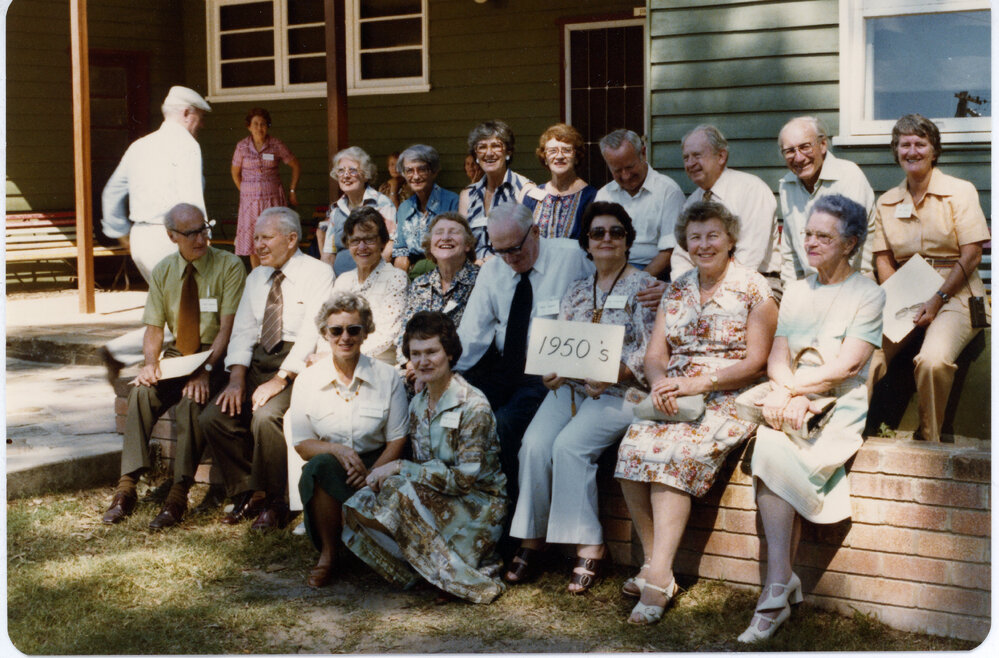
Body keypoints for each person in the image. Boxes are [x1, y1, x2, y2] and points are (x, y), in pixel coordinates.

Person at [614, 200, 777, 625]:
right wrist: (660, 384)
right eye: (695, 237)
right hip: (675, 394)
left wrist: (699, 383)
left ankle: (658, 578)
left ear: (730, 240)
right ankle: (656, 565)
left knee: (673, 456)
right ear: (685, 244)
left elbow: (757, 361)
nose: (704, 245)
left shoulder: (754, 288)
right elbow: (655, 354)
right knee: (632, 451)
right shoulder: (678, 287)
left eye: (713, 236)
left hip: (726, 395)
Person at [739, 195, 884, 642]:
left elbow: (846, 367)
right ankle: (780, 584)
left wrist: (799, 393)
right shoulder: (798, 289)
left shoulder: (869, 293)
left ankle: (776, 589)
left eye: (824, 236)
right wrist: (787, 391)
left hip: (838, 407)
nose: (812, 243)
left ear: (851, 244)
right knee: (769, 445)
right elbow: (777, 360)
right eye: (808, 234)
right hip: (793, 401)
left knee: (769, 450)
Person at [456, 202, 665, 508]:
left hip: (553, 376)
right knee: (467, 411)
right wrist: (444, 369)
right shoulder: (493, 270)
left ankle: (510, 516)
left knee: (507, 422)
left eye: (516, 248)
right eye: (501, 251)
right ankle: (474, 509)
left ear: (536, 232)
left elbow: (613, 275)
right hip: (509, 368)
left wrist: (668, 290)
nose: (510, 258)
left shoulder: (571, 257)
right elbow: (472, 333)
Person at [505, 202, 656, 593]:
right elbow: (563, 346)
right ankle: (531, 538)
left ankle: (590, 544)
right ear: (586, 242)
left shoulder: (646, 288)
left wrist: (617, 372)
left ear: (627, 240)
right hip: (573, 390)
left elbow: (655, 349)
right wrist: (551, 371)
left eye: (615, 232)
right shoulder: (575, 290)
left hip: (622, 393)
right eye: (597, 233)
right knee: (534, 445)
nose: (606, 239)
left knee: (570, 446)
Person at [342, 312, 509, 604]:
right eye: (416, 354)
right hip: (438, 496)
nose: (423, 361)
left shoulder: (473, 405)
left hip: (478, 505)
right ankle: (425, 570)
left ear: (450, 354)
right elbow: (423, 470)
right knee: (362, 501)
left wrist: (398, 468)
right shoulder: (418, 403)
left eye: (432, 352)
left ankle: (456, 572)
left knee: (396, 490)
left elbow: (464, 480)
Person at [101, 204, 246, 528]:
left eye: (203, 228)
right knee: (141, 393)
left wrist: (203, 372)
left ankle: (178, 495)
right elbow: (154, 328)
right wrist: (151, 364)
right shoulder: (165, 271)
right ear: (172, 236)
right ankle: (126, 489)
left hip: (215, 356)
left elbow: (227, 329)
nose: (200, 238)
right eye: (191, 232)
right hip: (178, 354)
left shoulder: (229, 266)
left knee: (193, 402)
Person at [199, 206, 335, 531]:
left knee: (266, 416)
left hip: (297, 365)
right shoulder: (256, 276)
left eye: (265, 237)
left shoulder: (318, 273)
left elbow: (311, 335)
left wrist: (280, 379)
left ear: (291, 239)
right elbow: (244, 331)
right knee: (214, 418)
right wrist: (236, 379)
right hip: (259, 359)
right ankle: (249, 491)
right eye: (255, 237)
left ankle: (278, 502)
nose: (257, 245)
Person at [868, 114, 990, 443]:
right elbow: (883, 258)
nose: (912, 150)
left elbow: (973, 255)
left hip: (959, 290)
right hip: (907, 288)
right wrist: (895, 298)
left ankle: (931, 445)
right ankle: (848, 433)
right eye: (904, 144)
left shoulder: (959, 192)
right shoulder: (887, 201)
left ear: (934, 150)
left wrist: (937, 299)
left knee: (932, 361)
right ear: (896, 151)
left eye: (920, 143)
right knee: (864, 353)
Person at [286, 292, 408, 588]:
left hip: (379, 463)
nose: (345, 337)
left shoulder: (388, 377)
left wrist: (371, 474)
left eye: (354, 329)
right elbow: (302, 444)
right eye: (336, 330)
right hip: (335, 465)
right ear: (324, 334)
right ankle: (329, 553)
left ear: (366, 332)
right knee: (321, 466)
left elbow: (397, 439)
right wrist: (337, 450)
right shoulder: (308, 380)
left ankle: (379, 549)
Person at [99, 86, 212, 379]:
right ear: (186, 114)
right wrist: (201, 241)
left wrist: (120, 231)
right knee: (196, 312)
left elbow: (111, 192)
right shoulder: (187, 145)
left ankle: (158, 364)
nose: (199, 125)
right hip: (172, 240)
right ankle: (119, 352)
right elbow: (191, 200)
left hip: (141, 238)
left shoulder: (140, 145)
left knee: (173, 310)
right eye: (198, 117)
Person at [671, 125, 780, 296]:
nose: (690, 163)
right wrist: (684, 291)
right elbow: (681, 257)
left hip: (757, 282)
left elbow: (749, 256)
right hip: (703, 286)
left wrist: (715, 292)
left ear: (721, 156)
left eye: (697, 155)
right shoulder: (692, 202)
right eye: (686, 158)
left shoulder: (751, 189)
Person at [777, 116, 876, 288]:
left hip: (852, 285)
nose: (799, 158)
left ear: (822, 145)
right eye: (790, 151)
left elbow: (850, 248)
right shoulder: (787, 186)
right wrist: (791, 295)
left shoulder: (849, 176)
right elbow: (790, 254)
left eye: (805, 147)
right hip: (809, 288)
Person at [594, 129, 685, 279]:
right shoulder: (604, 195)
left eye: (630, 167)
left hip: (655, 273)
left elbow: (670, 251)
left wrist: (634, 282)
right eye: (617, 170)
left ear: (643, 153)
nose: (626, 175)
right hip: (612, 271)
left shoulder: (667, 191)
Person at [396, 212, 479, 371]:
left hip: (463, 371)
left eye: (454, 232)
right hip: (419, 368)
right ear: (430, 245)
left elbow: (478, 340)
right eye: (439, 233)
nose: (445, 237)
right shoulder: (420, 284)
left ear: (467, 244)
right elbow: (405, 333)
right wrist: (410, 364)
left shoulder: (480, 281)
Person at [329, 207, 409, 365]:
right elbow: (329, 326)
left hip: (377, 363)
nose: (362, 247)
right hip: (338, 359)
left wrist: (339, 357)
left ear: (383, 242)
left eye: (369, 240)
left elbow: (386, 336)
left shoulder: (396, 278)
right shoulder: (343, 281)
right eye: (355, 241)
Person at [230, 107, 301, 268]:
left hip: (273, 200)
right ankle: (258, 277)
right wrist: (245, 192)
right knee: (253, 241)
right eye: (255, 124)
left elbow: (295, 165)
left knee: (276, 236)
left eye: (263, 124)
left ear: (267, 126)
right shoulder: (242, 147)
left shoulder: (276, 145)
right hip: (250, 204)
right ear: (249, 126)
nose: (259, 128)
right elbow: (235, 173)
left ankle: (277, 273)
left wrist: (292, 190)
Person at [457, 120, 536, 260]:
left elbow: (528, 242)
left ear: (508, 152)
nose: (489, 153)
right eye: (482, 147)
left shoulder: (524, 190)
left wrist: (487, 263)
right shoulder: (468, 194)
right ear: (475, 155)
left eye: (496, 146)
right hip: (474, 273)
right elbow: (462, 241)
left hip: (511, 270)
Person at [316, 146, 396, 275]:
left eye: (352, 170)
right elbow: (328, 255)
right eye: (341, 171)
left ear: (365, 175)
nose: (346, 176)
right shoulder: (336, 210)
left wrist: (371, 277)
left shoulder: (381, 203)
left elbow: (390, 246)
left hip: (372, 278)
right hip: (339, 282)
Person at [391, 145, 460, 277]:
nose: (415, 177)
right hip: (413, 275)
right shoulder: (404, 208)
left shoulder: (452, 202)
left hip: (446, 272)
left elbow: (457, 249)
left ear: (433, 171)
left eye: (421, 170)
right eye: (409, 171)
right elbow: (401, 254)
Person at [521, 123, 597, 239]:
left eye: (566, 150)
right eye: (552, 151)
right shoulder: (532, 196)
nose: (559, 156)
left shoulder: (590, 197)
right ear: (545, 158)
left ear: (576, 157)